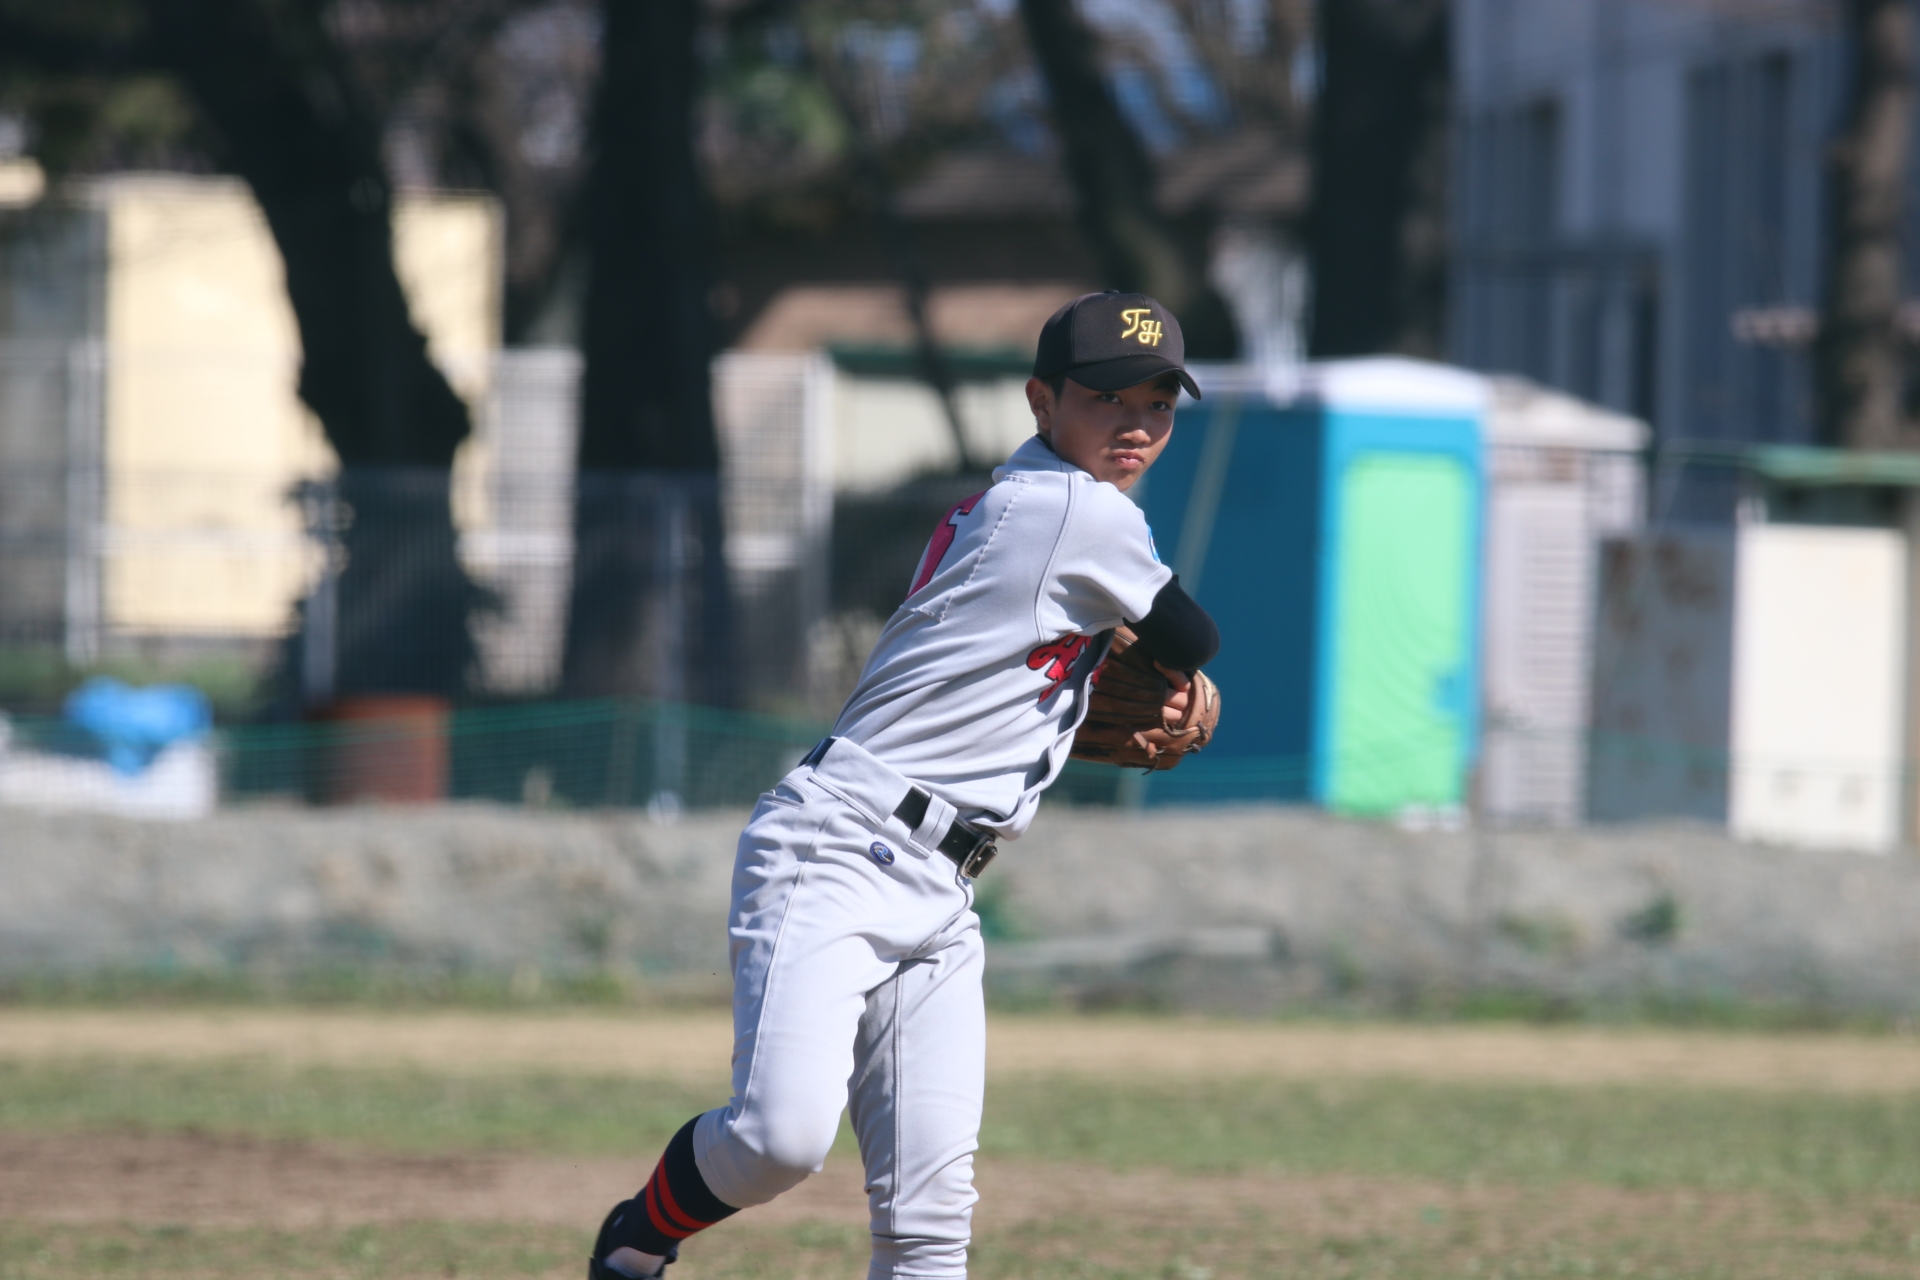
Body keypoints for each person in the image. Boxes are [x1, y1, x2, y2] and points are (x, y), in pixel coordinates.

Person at [588, 290, 1222, 1280]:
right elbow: (1194, 636)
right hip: (840, 848)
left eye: (1158, 402)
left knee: (930, 1223)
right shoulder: (1077, 508)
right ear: (1041, 400)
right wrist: (1165, 668)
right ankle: (639, 1235)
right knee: (776, 1140)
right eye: (1107, 397)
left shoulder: (1028, 505)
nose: (1135, 423)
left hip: (942, 888)